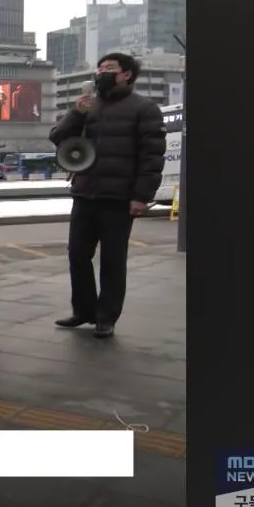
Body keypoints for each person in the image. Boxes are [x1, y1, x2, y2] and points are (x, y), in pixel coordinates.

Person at [48, 52, 166, 338]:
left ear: (127, 74)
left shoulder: (144, 108)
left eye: (109, 68)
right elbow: (58, 138)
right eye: (99, 68)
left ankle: (106, 316)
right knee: (77, 255)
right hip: (85, 192)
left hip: (119, 198)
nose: (102, 72)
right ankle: (83, 310)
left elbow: (152, 157)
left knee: (113, 260)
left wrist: (141, 196)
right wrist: (76, 113)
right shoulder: (90, 105)